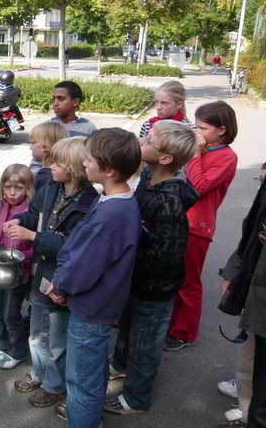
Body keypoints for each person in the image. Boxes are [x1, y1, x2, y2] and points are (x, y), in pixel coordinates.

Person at [104, 120, 199, 416]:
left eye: (149, 141)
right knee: (126, 329)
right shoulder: (148, 176)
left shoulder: (169, 201)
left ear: (166, 158)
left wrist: (124, 258)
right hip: (135, 280)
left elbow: (166, 256)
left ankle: (137, 398)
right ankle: (119, 367)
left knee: (145, 344)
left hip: (154, 288)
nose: (141, 140)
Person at [48, 128, 142, 428]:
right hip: (100, 305)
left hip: (91, 309)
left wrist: (60, 285)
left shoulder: (111, 214)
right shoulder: (115, 199)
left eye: (89, 159)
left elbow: (85, 265)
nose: (84, 163)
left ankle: (84, 420)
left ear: (109, 169)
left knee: (81, 380)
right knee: (93, 369)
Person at [7, 137, 98, 409]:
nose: (50, 166)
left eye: (56, 163)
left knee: (57, 337)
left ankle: (55, 386)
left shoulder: (89, 203)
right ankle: (39, 372)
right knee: (37, 331)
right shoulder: (50, 188)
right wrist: (19, 219)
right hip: (42, 271)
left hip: (63, 278)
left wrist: (32, 236)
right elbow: (34, 214)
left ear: (73, 168)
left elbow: (74, 246)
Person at [166, 101, 238, 351]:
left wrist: (194, 155)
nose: (198, 133)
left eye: (204, 128)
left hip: (197, 227)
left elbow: (199, 186)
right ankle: (171, 325)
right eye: (196, 127)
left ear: (222, 129)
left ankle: (184, 333)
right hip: (177, 220)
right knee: (172, 277)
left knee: (188, 282)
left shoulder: (226, 157)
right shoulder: (204, 148)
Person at [217, 162, 266, 428]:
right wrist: (234, 271)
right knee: (251, 354)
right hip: (256, 284)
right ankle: (248, 407)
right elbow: (251, 230)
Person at [0, 164, 34, 370]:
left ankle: (17, 350)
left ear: (28, 189)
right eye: (8, 187)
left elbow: (34, 246)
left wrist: (23, 259)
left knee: (11, 314)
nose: (12, 193)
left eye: (18, 188)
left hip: (18, 273)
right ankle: (1, 345)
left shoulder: (30, 212)